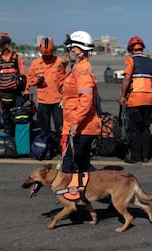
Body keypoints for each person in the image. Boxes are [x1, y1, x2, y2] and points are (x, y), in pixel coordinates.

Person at [118, 36, 152, 164]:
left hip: (134, 99)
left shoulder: (130, 59)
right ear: (142, 48)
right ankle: (145, 156)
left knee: (134, 129)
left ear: (130, 49)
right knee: (145, 128)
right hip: (148, 100)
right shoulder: (150, 61)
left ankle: (135, 157)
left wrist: (122, 96)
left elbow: (127, 78)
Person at [61, 30, 101, 173]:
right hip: (78, 125)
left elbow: (86, 100)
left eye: (70, 48)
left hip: (82, 127)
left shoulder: (82, 71)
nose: (68, 51)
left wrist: (75, 122)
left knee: (68, 165)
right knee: (83, 165)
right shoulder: (75, 68)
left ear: (77, 49)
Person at [0, 33, 29, 135]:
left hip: (17, 94)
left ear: (6, 45)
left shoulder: (17, 58)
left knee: (19, 116)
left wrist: (26, 92)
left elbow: (24, 75)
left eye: (0, 45)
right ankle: (9, 138)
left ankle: (19, 138)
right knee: (6, 117)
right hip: (3, 94)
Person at [28, 37, 66, 136]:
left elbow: (66, 80)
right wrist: (38, 81)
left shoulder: (59, 62)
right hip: (43, 101)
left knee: (60, 126)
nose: (47, 58)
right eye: (44, 56)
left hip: (58, 101)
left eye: (48, 55)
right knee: (44, 127)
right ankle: (46, 147)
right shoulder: (35, 63)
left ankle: (60, 146)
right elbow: (30, 80)